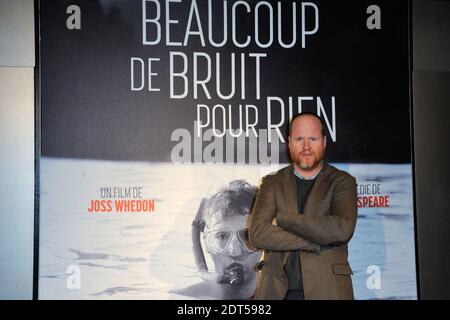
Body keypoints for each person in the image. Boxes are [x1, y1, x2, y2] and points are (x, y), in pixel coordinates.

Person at [249, 112, 358, 300]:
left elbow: (341, 230)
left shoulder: (342, 182)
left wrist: (283, 219)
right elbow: (258, 233)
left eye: (313, 139)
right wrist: (314, 241)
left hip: (329, 290)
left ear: (323, 141)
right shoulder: (272, 182)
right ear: (290, 142)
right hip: (276, 291)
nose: (306, 147)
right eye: (299, 139)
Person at [172, 180, 261, 299]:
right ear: (207, 242)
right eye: (222, 236)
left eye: (247, 236)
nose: (235, 252)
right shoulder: (180, 297)